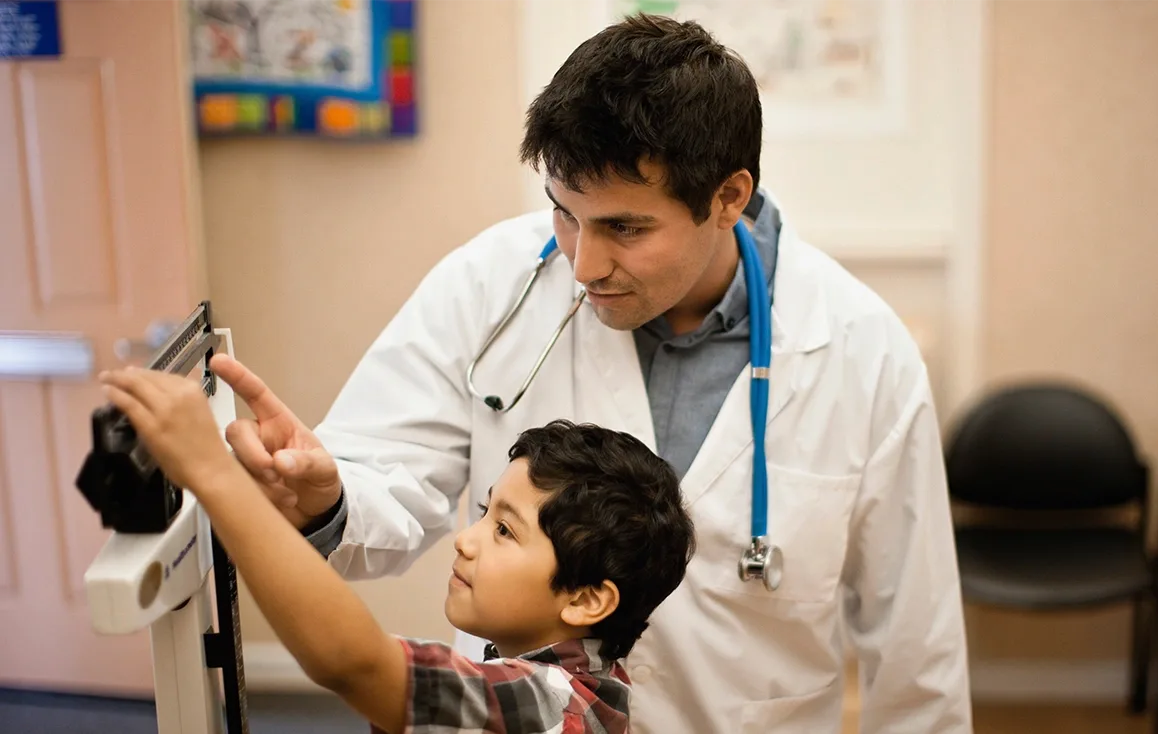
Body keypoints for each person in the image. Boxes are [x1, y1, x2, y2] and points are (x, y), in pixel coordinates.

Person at [212, 13, 972, 733]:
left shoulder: (861, 349)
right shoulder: (488, 287)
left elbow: (915, 646)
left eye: (625, 228)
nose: (582, 263)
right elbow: (384, 480)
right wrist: (328, 496)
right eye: (564, 213)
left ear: (728, 198)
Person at [97, 364, 695, 734]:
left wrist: (214, 476)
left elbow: (353, 663)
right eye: (485, 513)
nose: (466, 537)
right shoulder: (577, 674)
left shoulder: (552, 703)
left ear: (588, 600)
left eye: (505, 530)